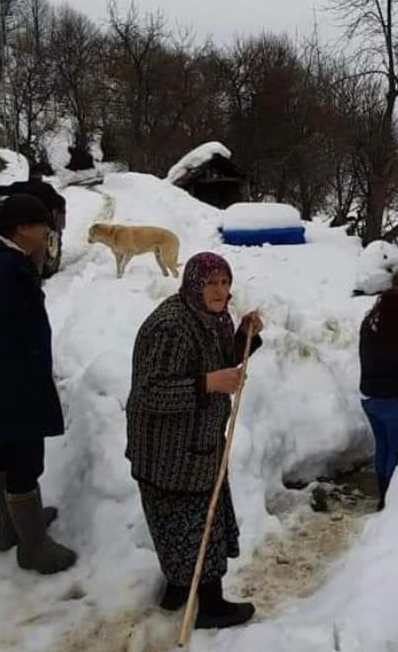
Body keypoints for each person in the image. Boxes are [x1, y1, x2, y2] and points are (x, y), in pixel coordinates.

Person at [126, 252, 263, 630]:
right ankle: (211, 606)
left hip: (196, 445)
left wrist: (244, 336)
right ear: (193, 285)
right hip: (167, 449)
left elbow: (220, 360)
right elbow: (149, 393)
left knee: (189, 521)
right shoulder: (171, 327)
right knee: (190, 523)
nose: (220, 291)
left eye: (224, 282)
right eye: (211, 283)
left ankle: (179, 585)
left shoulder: (213, 318)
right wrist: (208, 384)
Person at [0, 194, 77, 573]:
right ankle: (34, 547)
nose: (48, 230)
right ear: (21, 229)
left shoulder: (11, 262)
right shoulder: (6, 268)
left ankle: (9, 527)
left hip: (11, 380)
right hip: (13, 385)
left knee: (4, 455)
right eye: (41, 224)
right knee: (23, 460)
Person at [359, 289, 398, 510]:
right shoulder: (396, 333)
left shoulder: (370, 325)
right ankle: (391, 497)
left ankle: (381, 492)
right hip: (390, 398)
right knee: (396, 449)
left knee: (381, 446)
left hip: (368, 396)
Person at [8, 163, 66, 277]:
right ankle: (36, 274)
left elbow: (3, 190)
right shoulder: (46, 189)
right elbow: (60, 202)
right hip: (39, 226)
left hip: (16, 226)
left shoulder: (17, 187)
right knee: (39, 250)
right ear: (41, 176)